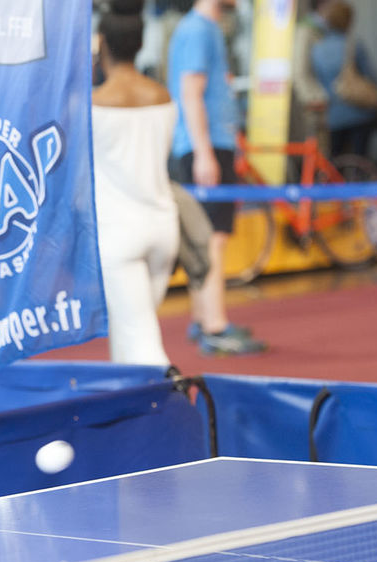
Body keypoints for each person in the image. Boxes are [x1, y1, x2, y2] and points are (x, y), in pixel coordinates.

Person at [167, 0, 266, 355]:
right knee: (212, 239)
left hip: (207, 143)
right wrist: (205, 152)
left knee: (204, 239)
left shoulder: (205, 29)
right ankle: (215, 325)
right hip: (204, 146)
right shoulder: (197, 30)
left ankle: (204, 319)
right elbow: (190, 92)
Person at [92, 2, 179, 366]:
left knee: (141, 347)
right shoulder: (164, 98)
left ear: (103, 45)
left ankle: (171, 408)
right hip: (163, 227)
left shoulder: (94, 104)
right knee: (132, 336)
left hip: (119, 236)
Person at [310, 0, 377, 159]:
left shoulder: (318, 49)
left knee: (337, 160)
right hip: (359, 110)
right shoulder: (353, 44)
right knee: (360, 159)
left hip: (333, 114)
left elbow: (318, 79)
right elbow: (371, 77)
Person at [291, 0, 332, 152]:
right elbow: (299, 71)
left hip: (326, 103)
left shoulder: (324, 29)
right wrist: (313, 98)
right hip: (315, 104)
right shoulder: (306, 30)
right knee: (318, 153)